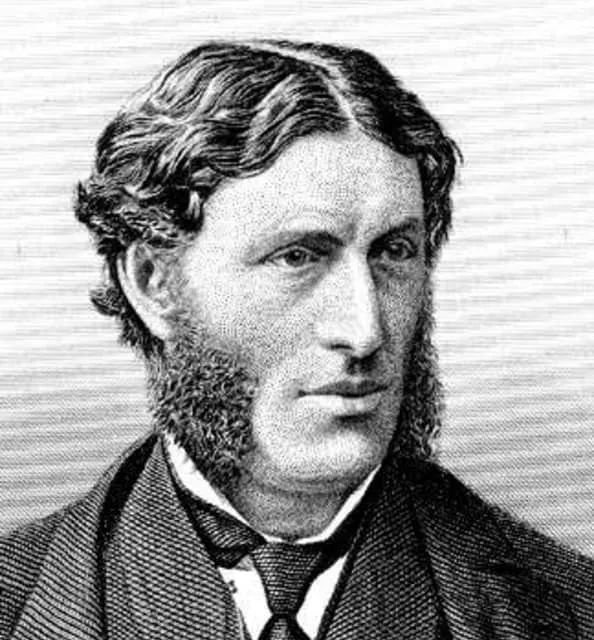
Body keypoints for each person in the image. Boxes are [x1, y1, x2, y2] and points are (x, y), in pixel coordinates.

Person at [1, 39, 592, 640]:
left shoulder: (565, 610)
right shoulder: (19, 596)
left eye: (393, 252)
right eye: (298, 257)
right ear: (155, 283)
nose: (364, 331)